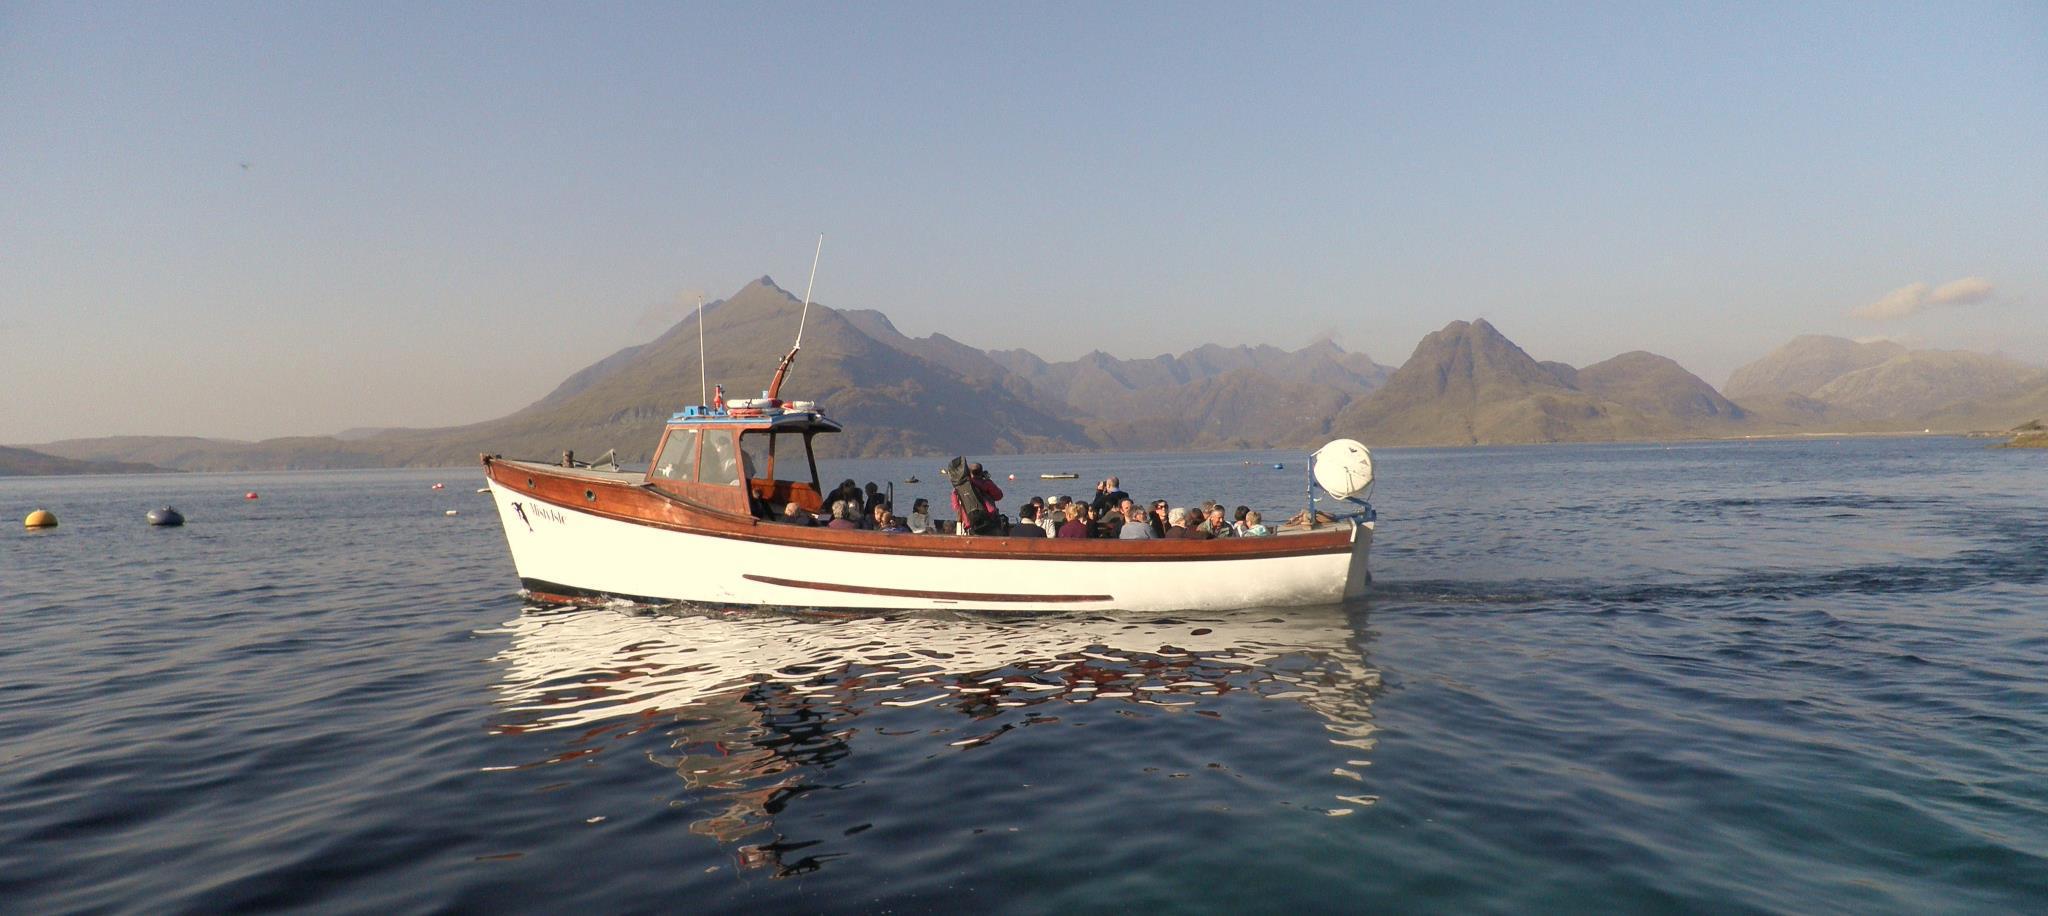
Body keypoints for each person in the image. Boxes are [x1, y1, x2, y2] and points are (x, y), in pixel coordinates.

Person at [947, 457, 1005, 535]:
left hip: (970, 525)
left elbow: (956, 507)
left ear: (968, 472)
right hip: (989, 521)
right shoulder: (986, 483)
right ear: (981, 472)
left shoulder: (958, 489)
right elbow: (999, 496)